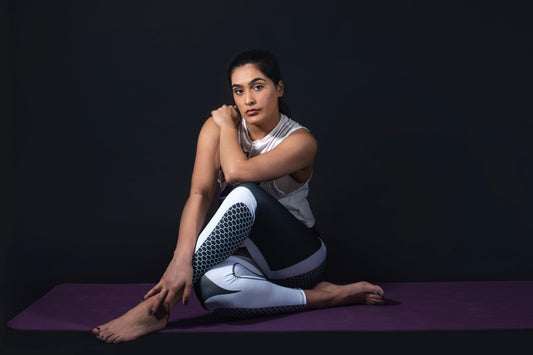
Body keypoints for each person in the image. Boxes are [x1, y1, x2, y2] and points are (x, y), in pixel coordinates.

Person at [92, 49, 384, 343]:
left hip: (298, 259)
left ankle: (156, 309)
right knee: (215, 291)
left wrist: (229, 127)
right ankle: (322, 297)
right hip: (250, 259)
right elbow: (200, 193)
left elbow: (236, 173)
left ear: (278, 88)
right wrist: (180, 260)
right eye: (238, 90)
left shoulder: (300, 141)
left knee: (245, 193)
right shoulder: (215, 128)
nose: (248, 100)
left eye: (258, 86)